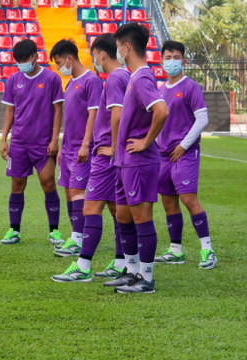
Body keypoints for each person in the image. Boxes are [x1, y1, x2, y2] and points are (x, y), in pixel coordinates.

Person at [52, 33, 131, 282]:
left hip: (102, 151)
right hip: (94, 150)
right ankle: (123, 262)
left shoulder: (111, 79)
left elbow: (113, 115)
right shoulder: (120, 77)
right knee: (116, 208)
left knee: (90, 205)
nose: (93, 58)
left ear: (102, 54)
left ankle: (83, 265)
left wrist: (111, 147)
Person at [102, 23, 169, 294]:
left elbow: (161, 111)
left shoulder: (141, 77)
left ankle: (147, 279)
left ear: (126, 46)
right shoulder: (134, 77)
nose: (116, 50)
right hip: (125, 161)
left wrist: (146, 141)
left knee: (141, 218)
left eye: (118, 45)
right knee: (124, 217)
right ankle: (131, 271)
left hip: (139, 161)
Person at [154, 40, 217, 269]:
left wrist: (184, 145)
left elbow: (202, 118)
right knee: (168, 202)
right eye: (168, 57)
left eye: (176, 57)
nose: (172, 61)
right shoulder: (160, 89)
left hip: (184, 153)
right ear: (161, 61)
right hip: (163, 155)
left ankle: (208, 250)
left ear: (184, 61)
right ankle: (175, 251)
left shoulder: (191, 87)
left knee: (189, 200)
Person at [0, 39, 65, 246]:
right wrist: (3, 139)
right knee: (17, 185)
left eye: (25, 59)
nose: (22, 63)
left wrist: (55, 139)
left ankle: (54, 232)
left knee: (48, 184)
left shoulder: (52, 78)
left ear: (35, 56)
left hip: (43, 144)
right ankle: (14, 230)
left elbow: (58, 110)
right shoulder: (13, 80)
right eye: (18, 60)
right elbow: (10, 110)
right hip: (18, 143)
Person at [49, 39, 103, 257]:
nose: (59, 67)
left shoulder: (92, 81)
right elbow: (70, 118)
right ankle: (74, 237)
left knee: (77, 192)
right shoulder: (70, 82)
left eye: (60, 62)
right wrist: (62, 145)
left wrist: (86, 144)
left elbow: (94, 114)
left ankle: (78, 240)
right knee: (69, 193)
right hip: (68, 148)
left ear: (70, 58)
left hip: (83, 149)